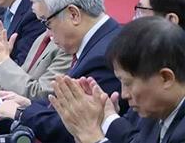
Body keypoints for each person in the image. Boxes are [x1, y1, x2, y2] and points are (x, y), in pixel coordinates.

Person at [0, 0, 121, 143]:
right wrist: (30, 105)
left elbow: (77, 126)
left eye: (47, 23)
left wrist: (21, 113)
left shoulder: (105, 55)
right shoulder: (99, 41)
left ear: (73, 14)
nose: (47, 34)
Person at [49, 17, 185, 143]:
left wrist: (91, 136)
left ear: (166, 78)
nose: (124, 94)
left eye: (127, 83)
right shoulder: (158, 109)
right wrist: (105, 115)